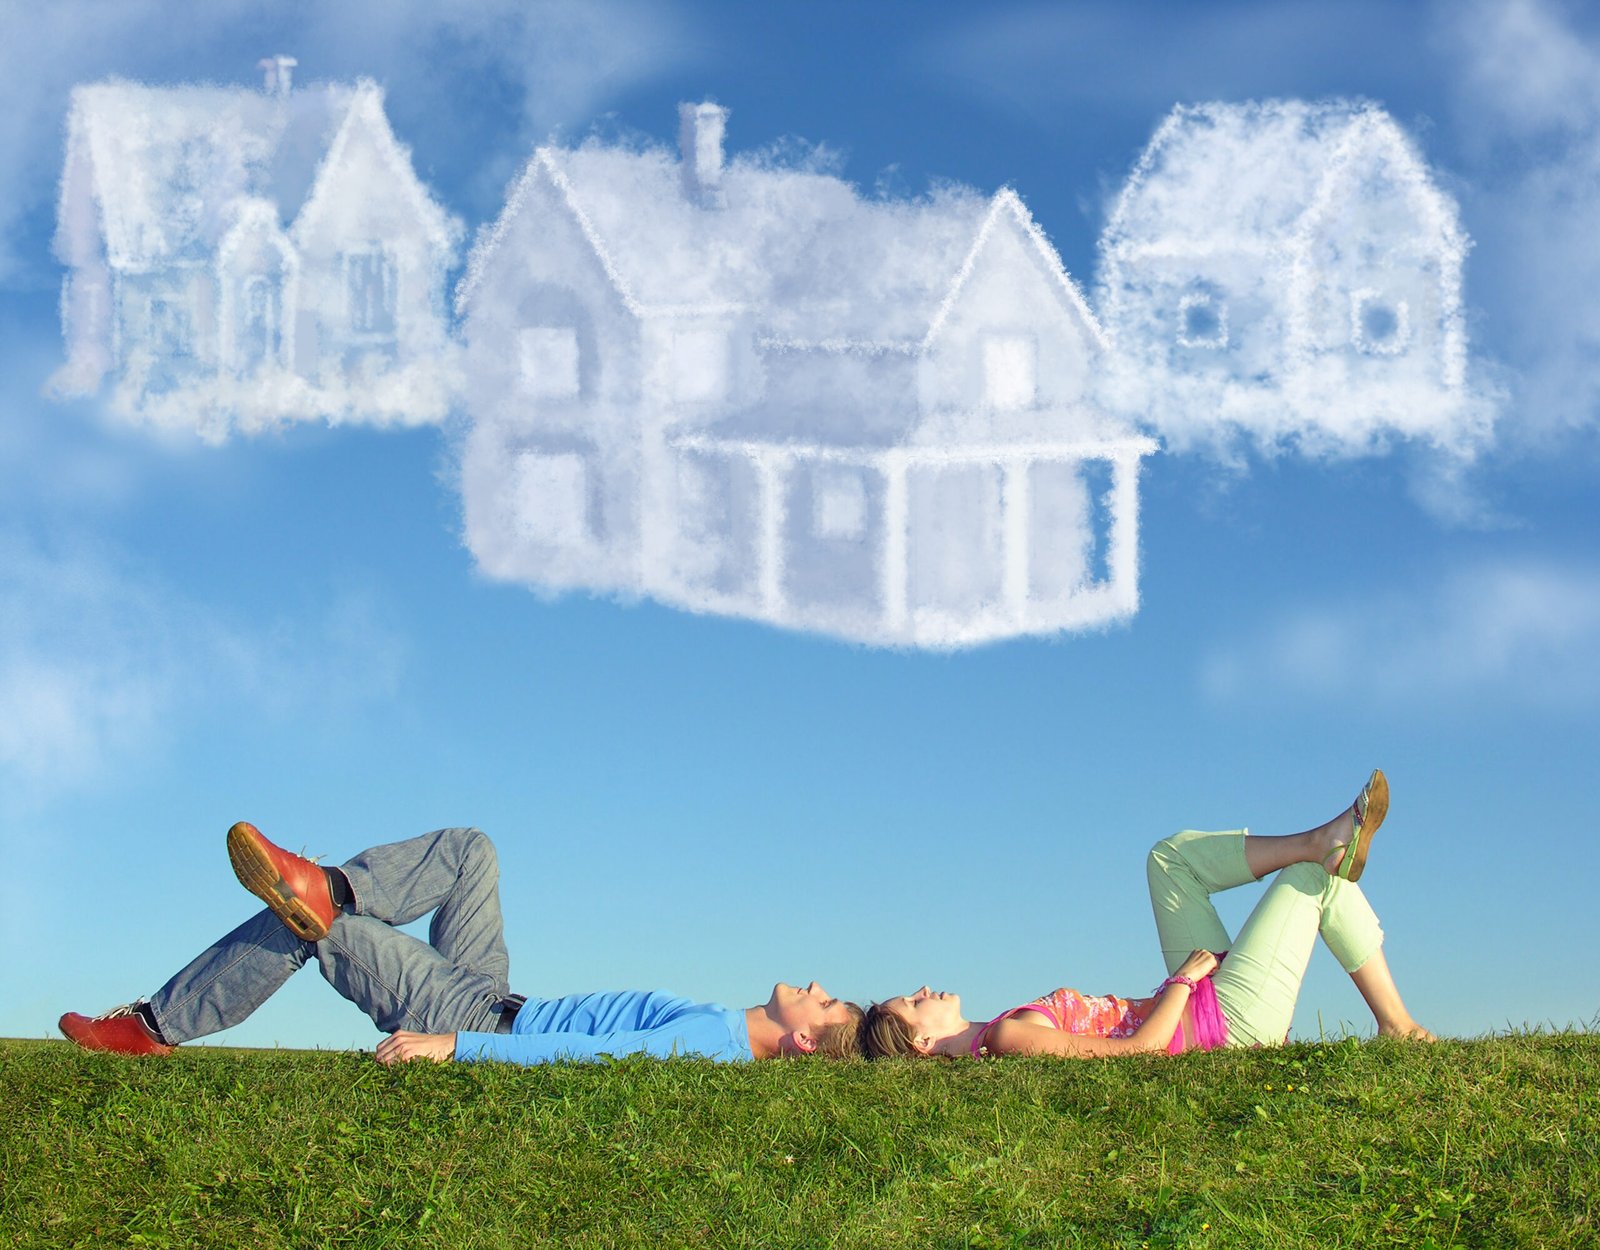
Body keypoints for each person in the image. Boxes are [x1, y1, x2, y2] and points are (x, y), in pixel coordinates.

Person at [61, 822, 864, 1064]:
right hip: (495, 991)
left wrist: (456, 1049)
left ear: (801, 1034)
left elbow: (587, 1060)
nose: (815, 982)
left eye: (824, 1000)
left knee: (323, 933)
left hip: (473, 1020)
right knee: (471, 852)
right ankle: (330, 882)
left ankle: (153, 1028)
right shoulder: (720, 1028)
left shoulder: (716, 1044)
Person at [863, 770, 1435, 1060]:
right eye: (913, 1003)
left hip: (1202, 1008)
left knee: (1169, 859)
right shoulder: (1009, 1038)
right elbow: (1138, 1058)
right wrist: (1184, 983)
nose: (923, 989)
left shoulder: (998, 1030)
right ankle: (1398, 1026)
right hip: (1222, 1027)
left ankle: (1317, 839)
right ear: (920, 1045)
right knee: (1314, 882)